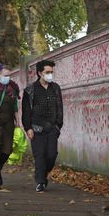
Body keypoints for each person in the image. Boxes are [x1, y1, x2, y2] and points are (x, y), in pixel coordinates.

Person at [22, 59, 63, 192]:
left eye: (51, 72)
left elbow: (60, 107)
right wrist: (28, 128)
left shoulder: (55, 88)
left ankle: (43, 175)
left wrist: (58, 126)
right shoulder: (30, 90)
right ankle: (40, 182)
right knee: (39, 155)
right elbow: (26, 111)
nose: (50, 74)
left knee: (52, 155)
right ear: (40, 73)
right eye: (47, 72)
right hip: (36, 128)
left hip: (52, 128)